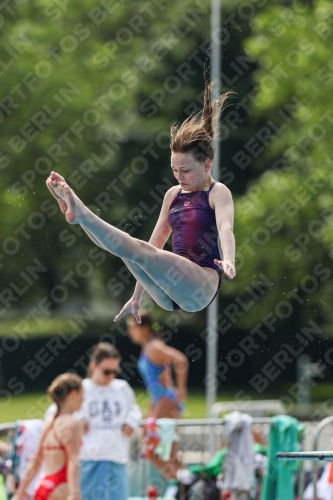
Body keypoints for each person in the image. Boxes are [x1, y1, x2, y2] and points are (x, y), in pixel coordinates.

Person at [46, 79, 236, 322]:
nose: (178, 176)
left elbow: (225, 228)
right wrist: (137, 296)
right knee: (129, 252)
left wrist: (229, 259)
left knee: (138, 249)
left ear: (207, 164)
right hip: (169, 295)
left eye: (185, 171)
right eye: (174, 169)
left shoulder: (218, 192)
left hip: (200, 285)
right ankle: (82, 218)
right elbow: (155, 243)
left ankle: (82, 214)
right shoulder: (173, 195)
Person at [44, 343, 142, 500]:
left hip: (116, 456)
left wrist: (131, 421)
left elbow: (134, 409)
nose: (111, 376)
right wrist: (75, 423)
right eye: (107, 372)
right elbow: (55, 413)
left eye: (115, 371)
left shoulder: (122, 388)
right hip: (88, 459)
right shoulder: (81, 388)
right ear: (93, 366)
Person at [127, 310, 188, 481]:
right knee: (165, 454)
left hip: (166, 401)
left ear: (145, 327)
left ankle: (182, 485)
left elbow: (180, 360)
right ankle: (185, 484)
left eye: (132, 328)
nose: (130, 332)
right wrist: (153, 406)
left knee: (150, 450)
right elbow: (164, 374)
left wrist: (181, 389)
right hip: (161, 401)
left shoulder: (154, 347)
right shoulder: (149, 347)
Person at [12, 373, 83, 500]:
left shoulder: (48, 423)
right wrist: (75, 493)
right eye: (82, 395)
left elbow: (36, 460)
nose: (83, 400)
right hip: (61, 487)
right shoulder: (72, 423)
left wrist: (19, 493)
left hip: (43, 486)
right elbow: (73, 460)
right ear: (73, 394)